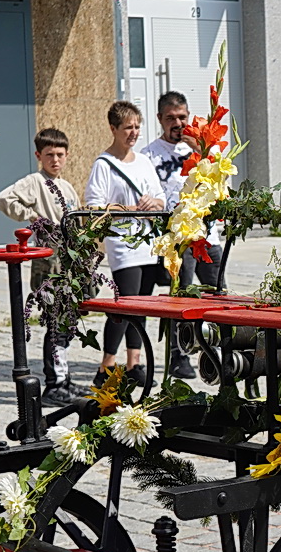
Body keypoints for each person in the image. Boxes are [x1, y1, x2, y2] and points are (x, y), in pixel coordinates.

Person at [84, 100, 166, 385]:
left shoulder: (143, 161)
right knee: (124, 304)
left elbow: (161, 199)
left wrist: (152, 202)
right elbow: (95, 206)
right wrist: (130, 209)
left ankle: (134, 364)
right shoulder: (104, 164)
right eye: (128, 127)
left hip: (148, 243)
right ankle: (106, 365)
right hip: (122, 243)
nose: (133, 132)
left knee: (141, 304)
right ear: (113, 129)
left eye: (137, 127)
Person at [0, 128, 79, 406]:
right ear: (38, 156)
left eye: (60, 155)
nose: (55, 160)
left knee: (67, 321)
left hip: (68, 262)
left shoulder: (66, 187)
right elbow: (4, 199)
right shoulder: (35, 182)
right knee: (55, 320)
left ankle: (64, 377)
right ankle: (54, 383)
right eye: (49, 155)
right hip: (49, 263)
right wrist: (34, 218)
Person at [140, 90, 214, 379]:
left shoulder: (201, 149)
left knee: (216, 293)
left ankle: (217, 351)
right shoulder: (148, 155)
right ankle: (178, 355)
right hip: (175, 239)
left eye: (182, 117)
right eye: (171, 118)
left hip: (207, 235)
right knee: (179, 297)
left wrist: (201, 151)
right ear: (160, 119)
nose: (178, 123)